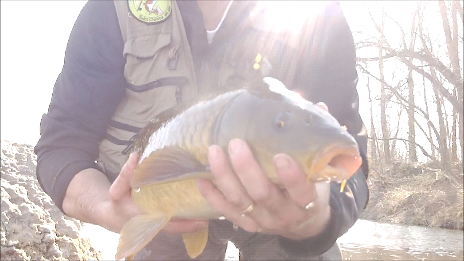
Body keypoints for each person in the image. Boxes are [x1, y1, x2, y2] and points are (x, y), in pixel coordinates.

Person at [35, 0, 370, 260]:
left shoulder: (316, 15)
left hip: (282, 213)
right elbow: (61, 148)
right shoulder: (111, 11)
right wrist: (110, 210)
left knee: (311, 248)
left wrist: (317, 219)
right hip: (162, 215)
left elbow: (352, 162)